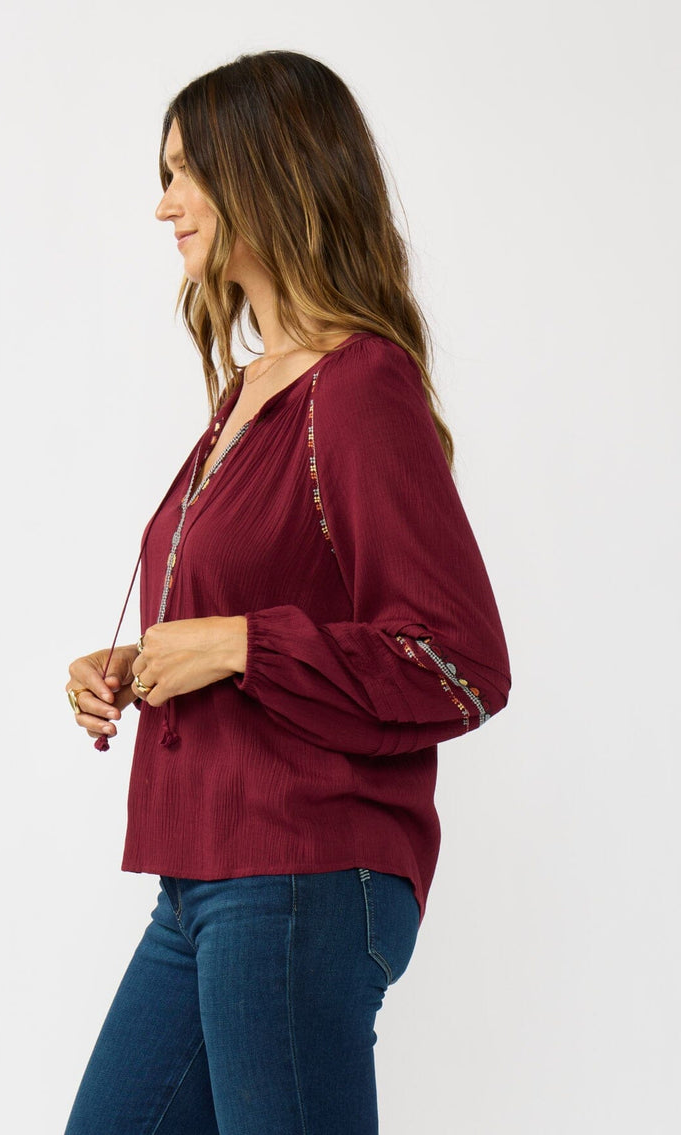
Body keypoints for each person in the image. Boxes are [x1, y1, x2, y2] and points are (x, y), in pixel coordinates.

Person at [63, 49, 511, 1135]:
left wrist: (238, 647)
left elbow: (460, 663)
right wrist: (137, 660)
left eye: (184, 171)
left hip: (301, 872)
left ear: (262, 171)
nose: (163, 203)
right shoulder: (254, 390)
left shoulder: (357, 386)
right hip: (202, 880)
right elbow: (242, 604)